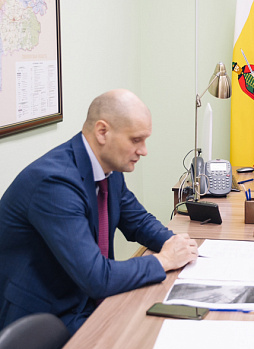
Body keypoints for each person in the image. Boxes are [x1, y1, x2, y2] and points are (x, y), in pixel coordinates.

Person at [0, 89, 199, 334]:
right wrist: (165, 259)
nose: (144, 150)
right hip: (46, 319)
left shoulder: (108, 169)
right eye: (136, 140)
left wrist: (174, 243)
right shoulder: (54, 183)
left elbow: (138, 221)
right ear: (102, 132)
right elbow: (97, 278)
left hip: (85, 302)